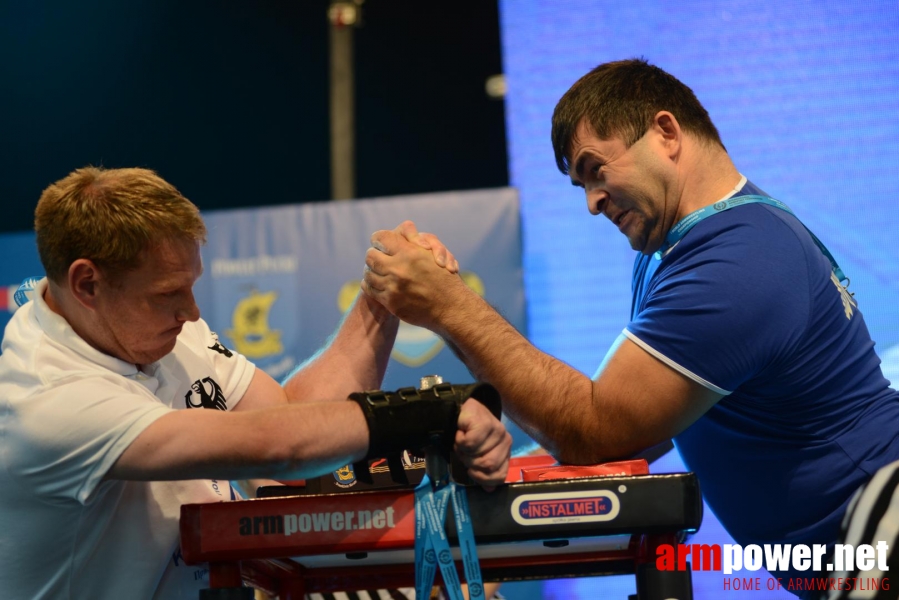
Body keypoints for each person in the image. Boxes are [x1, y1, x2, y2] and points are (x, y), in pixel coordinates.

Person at [360, 58, 899, 594]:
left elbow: (596, 430)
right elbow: (643, 427)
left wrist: (448, 304)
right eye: (580, 185)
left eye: (597, 169)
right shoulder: (675, 249)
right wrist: (507, 464)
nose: (593, 202)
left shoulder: (739, 259)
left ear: (666, 132)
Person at [0, 166, 511, 599]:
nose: (192, 312)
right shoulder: (48, 400)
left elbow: (290, 413)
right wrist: (434, 411)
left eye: (191, 286)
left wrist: (383, 292)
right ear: (87, 283)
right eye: (168, 294)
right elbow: (278, 447)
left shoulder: (152, 329)